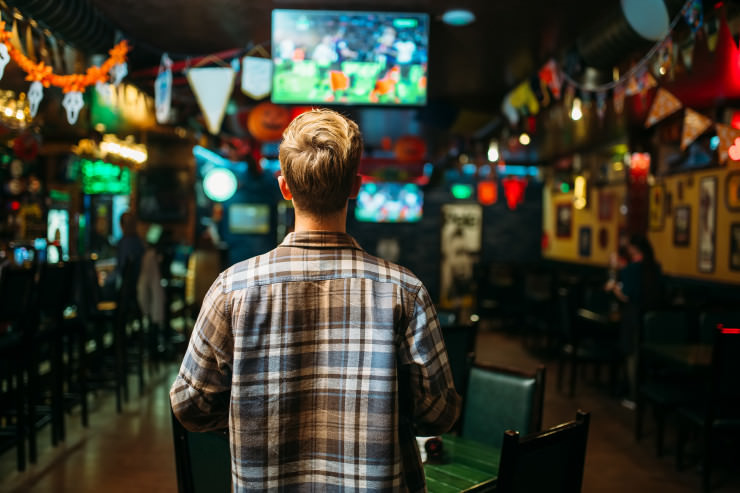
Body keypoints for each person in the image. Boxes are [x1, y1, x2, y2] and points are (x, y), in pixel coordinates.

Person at [170, 109, 461, 492]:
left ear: (285, 187)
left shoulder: (232, 290)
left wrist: (252, 411)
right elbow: (440, 414)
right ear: (355, 186)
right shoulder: (404, 291)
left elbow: (189, 406)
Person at [605, 234, 662, 406]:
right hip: (652, 318)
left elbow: (626, 295)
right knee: (643, 356)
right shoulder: (654, 267)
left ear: (633, 248)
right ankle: (646, 394)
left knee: (631, 354)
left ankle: (633, 396)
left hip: (633, 316)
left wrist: (614, 286)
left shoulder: (631, 269)